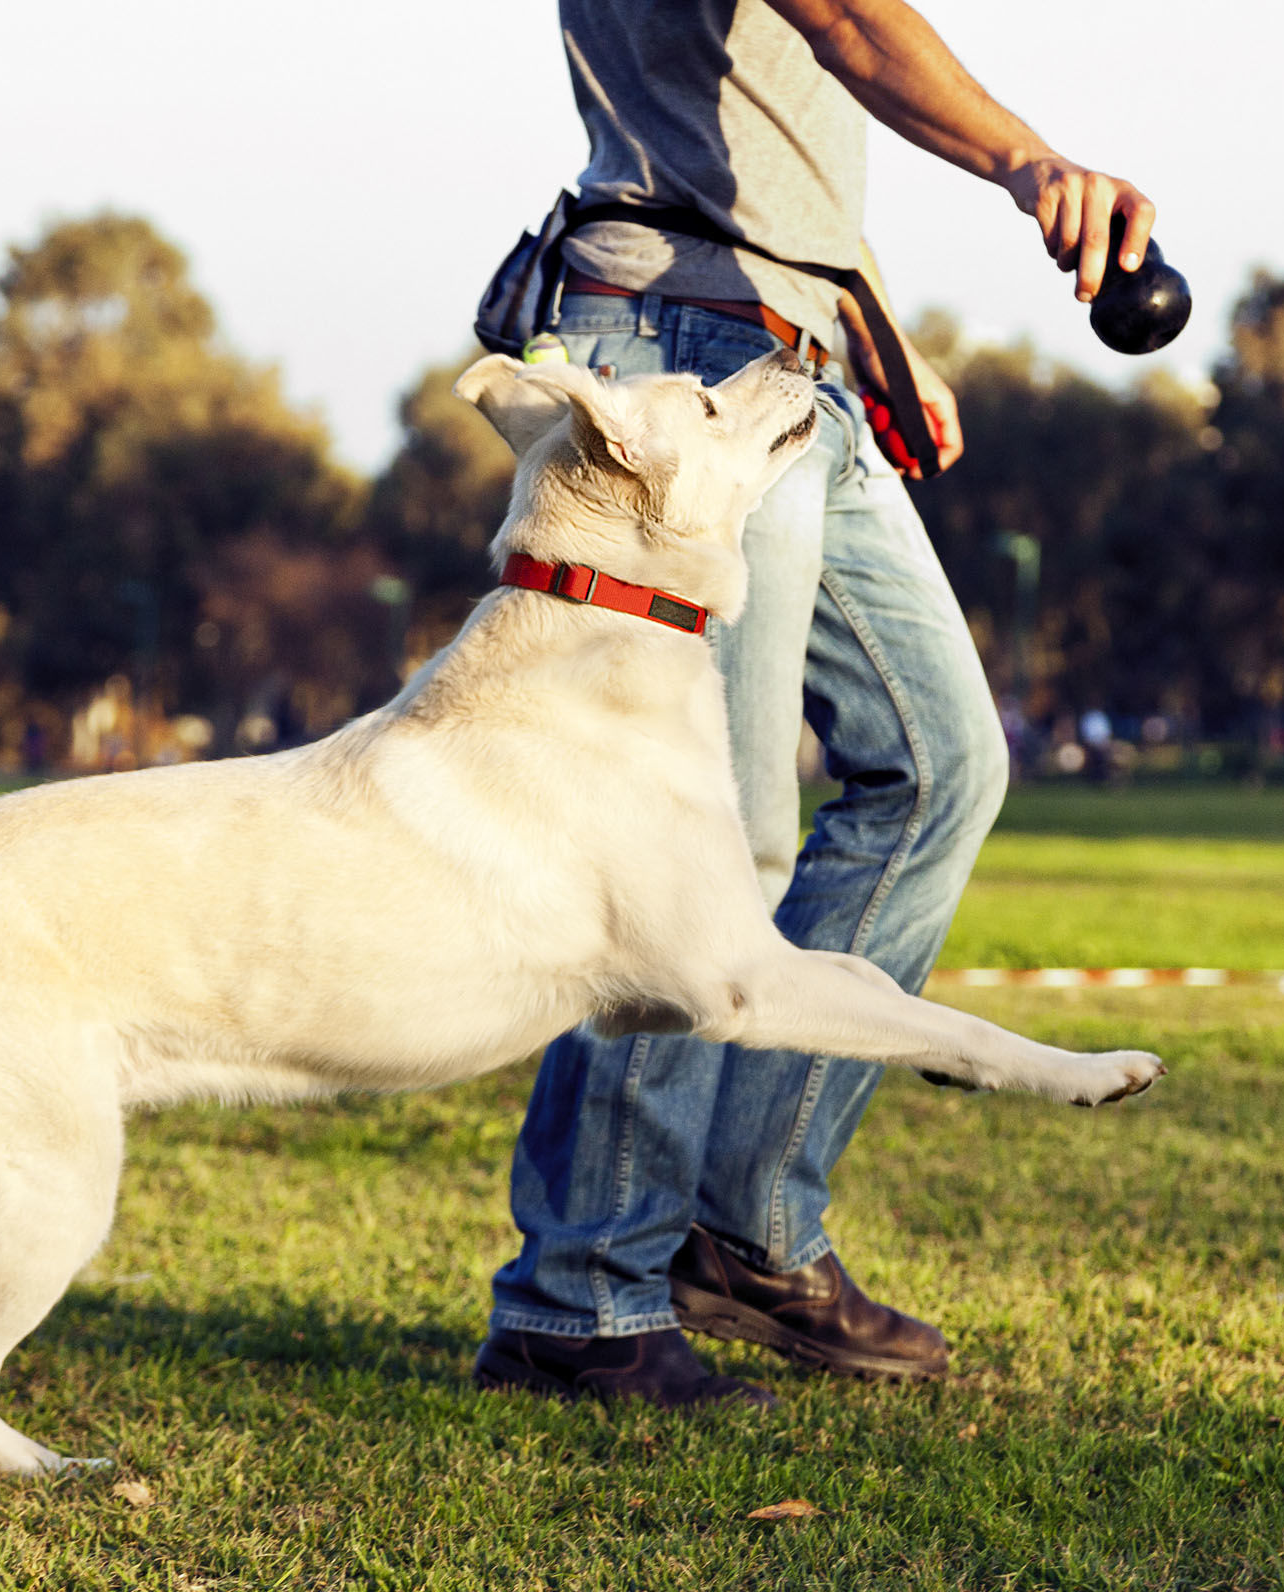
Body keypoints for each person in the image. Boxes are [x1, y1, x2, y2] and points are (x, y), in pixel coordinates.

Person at [472, 0, 1158, 1407]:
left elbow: (765, 125)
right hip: (685, 353)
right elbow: (845, 18)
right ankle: (583, 1296)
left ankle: (748, 1230)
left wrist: (867, 324)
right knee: (704, 849)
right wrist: (1029, 163)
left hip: (790, 350)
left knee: (941, 763)